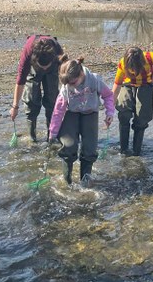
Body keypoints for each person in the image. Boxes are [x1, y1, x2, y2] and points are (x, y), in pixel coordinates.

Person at [48, 55, 115, 185]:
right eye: (68, 84)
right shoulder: (66, 87)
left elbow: (108, 95)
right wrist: (53, 132)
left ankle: (85, 180)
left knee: (90, 148)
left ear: (80, 74)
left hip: (90, 114)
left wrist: (110, 112)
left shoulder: (94, 80)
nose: (71, 86)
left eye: (73, 83)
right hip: (71, 113)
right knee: (68, 145)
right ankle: (67, 180)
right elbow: (58, 111)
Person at [112, 46, 153, 156]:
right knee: (123, 112)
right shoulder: (122, 63)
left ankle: (136, 152)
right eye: (131, 69)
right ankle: (123, 150)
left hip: (145, 85)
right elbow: (117, 84)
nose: (133, 71)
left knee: (141, 118)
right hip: (127, 85)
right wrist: (110, 105)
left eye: (136, 68)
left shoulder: (149, 57)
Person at [9, 34, 63, 142]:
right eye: (42, 67)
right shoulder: (28, 52)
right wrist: (15, 107)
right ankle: (32, 137)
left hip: (53, 69)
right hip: (33, 69)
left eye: (46, 67)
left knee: (52, 100)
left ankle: (51, 137)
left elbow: (67, 77)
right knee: (31, 98)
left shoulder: (58, 52)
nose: (44, 69)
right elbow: (20, 81)